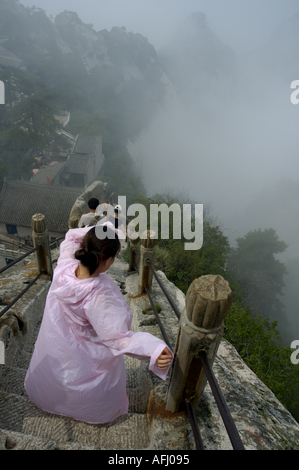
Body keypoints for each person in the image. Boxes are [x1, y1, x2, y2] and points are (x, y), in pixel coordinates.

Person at [24, 225, 173, 424]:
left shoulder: (65, 266)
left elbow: (70, 236)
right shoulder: (98, 296)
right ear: (109, 260)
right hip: (85, 353)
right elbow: (119, 339)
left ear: (84, 246)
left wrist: (105, 230)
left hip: (59, 342)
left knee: (58, 373)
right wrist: (155, 349)